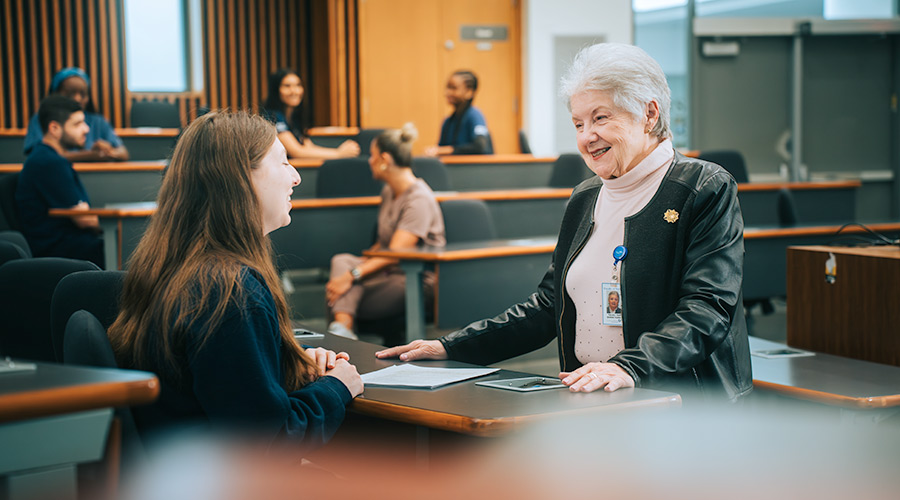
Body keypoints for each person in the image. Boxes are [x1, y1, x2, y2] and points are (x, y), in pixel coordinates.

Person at [378, 43, 753, 402]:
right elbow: (547, 306)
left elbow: (707, 309)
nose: (587, 137)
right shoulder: (585, 197)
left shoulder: (703, 187)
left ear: (650, 114)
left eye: (601, 118)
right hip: (595, 402)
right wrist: (450, 346)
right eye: (578, 123)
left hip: (684, 408)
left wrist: (628, 368)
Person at [107, 111, 363, 448]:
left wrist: (292, 364)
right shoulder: (230, 293)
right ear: (242, 177)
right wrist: (337, 385)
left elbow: (223, 387)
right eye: (284, 163)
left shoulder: (175, 268)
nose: (297, 177)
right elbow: (270, 443)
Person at [326, 123, 445, 340]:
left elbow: (395, 254)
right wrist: (352, 270)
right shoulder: (390, 191)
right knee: (341, 261)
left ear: (385, 160)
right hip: (387, 273)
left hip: (412, 280)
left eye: (372, 156)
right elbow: (382, 244)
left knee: (342, 291)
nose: (369, 161)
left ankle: (342, 327)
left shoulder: (419, 199)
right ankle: (343, 327)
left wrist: (353, 276)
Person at [15, 96, 104, 267]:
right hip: (62, 254)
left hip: (68, 247)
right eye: (77, 124)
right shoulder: (49, 162)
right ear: (54, 128)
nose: (86, 129)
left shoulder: (45, 158)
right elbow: (84, 219)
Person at [23, 67, 128, 161]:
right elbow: (43, 156)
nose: (77, 99)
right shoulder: (41, 119)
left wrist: (108, 150)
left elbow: (123, 152)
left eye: (83, 94)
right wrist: (93, 155)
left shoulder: (98, 121)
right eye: (70, 93)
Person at [261, 68, 360, 159]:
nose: (294, 91)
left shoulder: (294, 117)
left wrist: (341, 151)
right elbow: (296, 152)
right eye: (287, 86)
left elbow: (308, 147)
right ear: (276, 90)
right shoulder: (272, 116)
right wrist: (339, 154)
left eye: (298, 85)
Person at [424, 70, 493, 156]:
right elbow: (440, 149)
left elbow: (481, 146)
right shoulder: (448, 122)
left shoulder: (475, 116)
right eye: (447, 88)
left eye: (453, 88)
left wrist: (448, 150)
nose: (447, 93)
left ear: (469, 92)